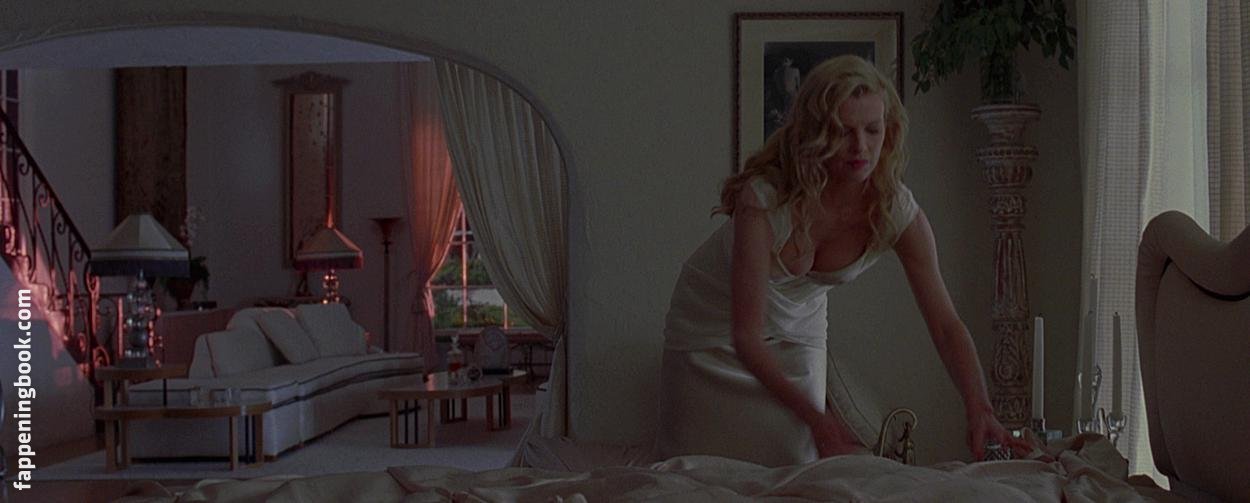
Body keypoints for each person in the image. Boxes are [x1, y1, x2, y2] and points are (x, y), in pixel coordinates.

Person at [656, 55, 1028, 467]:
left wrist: (980, 408)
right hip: (711, 327)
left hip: (800, 329)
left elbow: (946, 326)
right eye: (843, 131)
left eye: (872, 129)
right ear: (816, 133)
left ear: (889, 130)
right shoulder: (764, 199)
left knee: (796, 466)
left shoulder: (894, 209)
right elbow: (746, 336)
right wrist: (818, 418)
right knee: (703, 473)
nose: (860, 147)